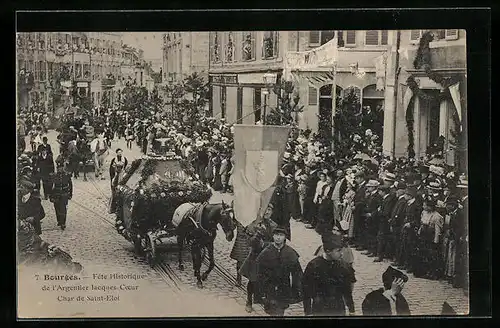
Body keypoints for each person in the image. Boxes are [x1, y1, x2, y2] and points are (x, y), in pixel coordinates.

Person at [302, 231, 356, 316]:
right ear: (328, 251)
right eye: (338, 251)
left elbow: (347, 291)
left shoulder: (343, 266)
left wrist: (351, 310)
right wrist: (308, 313)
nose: (341, 254)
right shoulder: (314, 266)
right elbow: (306, 292)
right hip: (320, 308)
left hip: (338, 308)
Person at [255, 226, 303, 316]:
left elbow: (297, 273)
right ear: (273, 236)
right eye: (276, 235)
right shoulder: (266, 252)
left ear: (285, 237)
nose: (278, 237)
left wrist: (296, 290)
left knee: (280, 310)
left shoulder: (290, 252)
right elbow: (259, 274)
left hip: (284, 287)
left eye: (281, 235)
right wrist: (260, 292)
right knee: (272, 310)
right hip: (269, 287)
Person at [239, 203, 278, 313]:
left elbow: (276, 241)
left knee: (269, 281)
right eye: (265, 210)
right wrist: (258, 235)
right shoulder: (253, 225)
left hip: (268, 258)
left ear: (272, 212)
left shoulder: (274, 225)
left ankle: (265, 301)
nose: (267, 212)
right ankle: (249, 301)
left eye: (269, 210)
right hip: (255, 257)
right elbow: (250, 242)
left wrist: (265, 244)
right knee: (253, 281)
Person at [374, 184, 397, 262]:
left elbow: (386, 213)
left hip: (384, 223)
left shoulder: (388, 200)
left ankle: (380, 255)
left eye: (380, 191)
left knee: (382, 238)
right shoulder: (386, 199)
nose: (379, 193)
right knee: (383, 238)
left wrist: (379, 211)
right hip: (383, 222)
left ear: (383, 192)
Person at [49, 162, 73, 230]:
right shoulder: (54, 176)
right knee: (57, 208)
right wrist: (51, 196)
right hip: (56, 194)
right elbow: (51, 186)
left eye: (61, 168)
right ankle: (59, 220)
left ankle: (63, 223)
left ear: (63, 168)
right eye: (58, 168)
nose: (60, 169)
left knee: (63, 209)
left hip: (64, 195)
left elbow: (70, 185)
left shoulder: (67, 175)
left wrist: (70, 194)